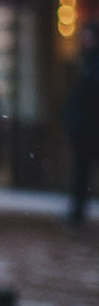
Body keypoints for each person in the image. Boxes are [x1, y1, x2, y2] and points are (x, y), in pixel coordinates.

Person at [66, 23, 99, 228]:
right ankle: (77, 214)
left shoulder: (92, 65)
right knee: (81, 174)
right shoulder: (86, 63)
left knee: (82, 173)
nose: (85, 42)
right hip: (85, 130)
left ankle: (77, 214)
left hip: (91, 129)